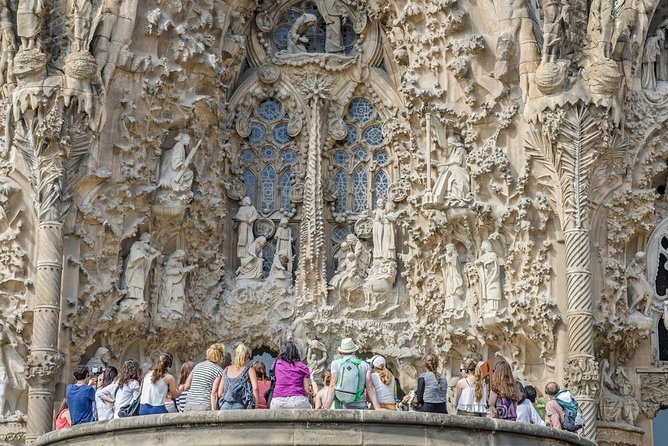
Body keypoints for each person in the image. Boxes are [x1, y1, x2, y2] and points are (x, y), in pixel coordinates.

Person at [326, 338, 381, 410]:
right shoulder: (365, 365)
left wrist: (327, 405)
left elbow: (332, 385)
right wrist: (377, 407)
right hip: (360, 405)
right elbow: (369, 387)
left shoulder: (336, 363)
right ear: (354, 351)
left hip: (342, 405)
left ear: (341, 352)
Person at [270, 341, 312, 409]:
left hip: (278, 400)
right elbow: (307, 390)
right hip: (298, 400)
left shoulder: (277, 363)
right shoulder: (303, 367)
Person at [184, 343, 226, 411]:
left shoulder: (197, 366)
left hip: (189, 405)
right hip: (204, 405)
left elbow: (187, 386)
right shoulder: (219, 371)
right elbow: (214, 393)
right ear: (220, 356)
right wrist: (214, 412)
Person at [217, 344, 259, 410]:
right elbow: (255, 388)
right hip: (241, 405)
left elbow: (220, 393)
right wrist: (256, 407)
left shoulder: (226, 369)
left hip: (225, 406)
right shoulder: (249, 370)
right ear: (247, 356)